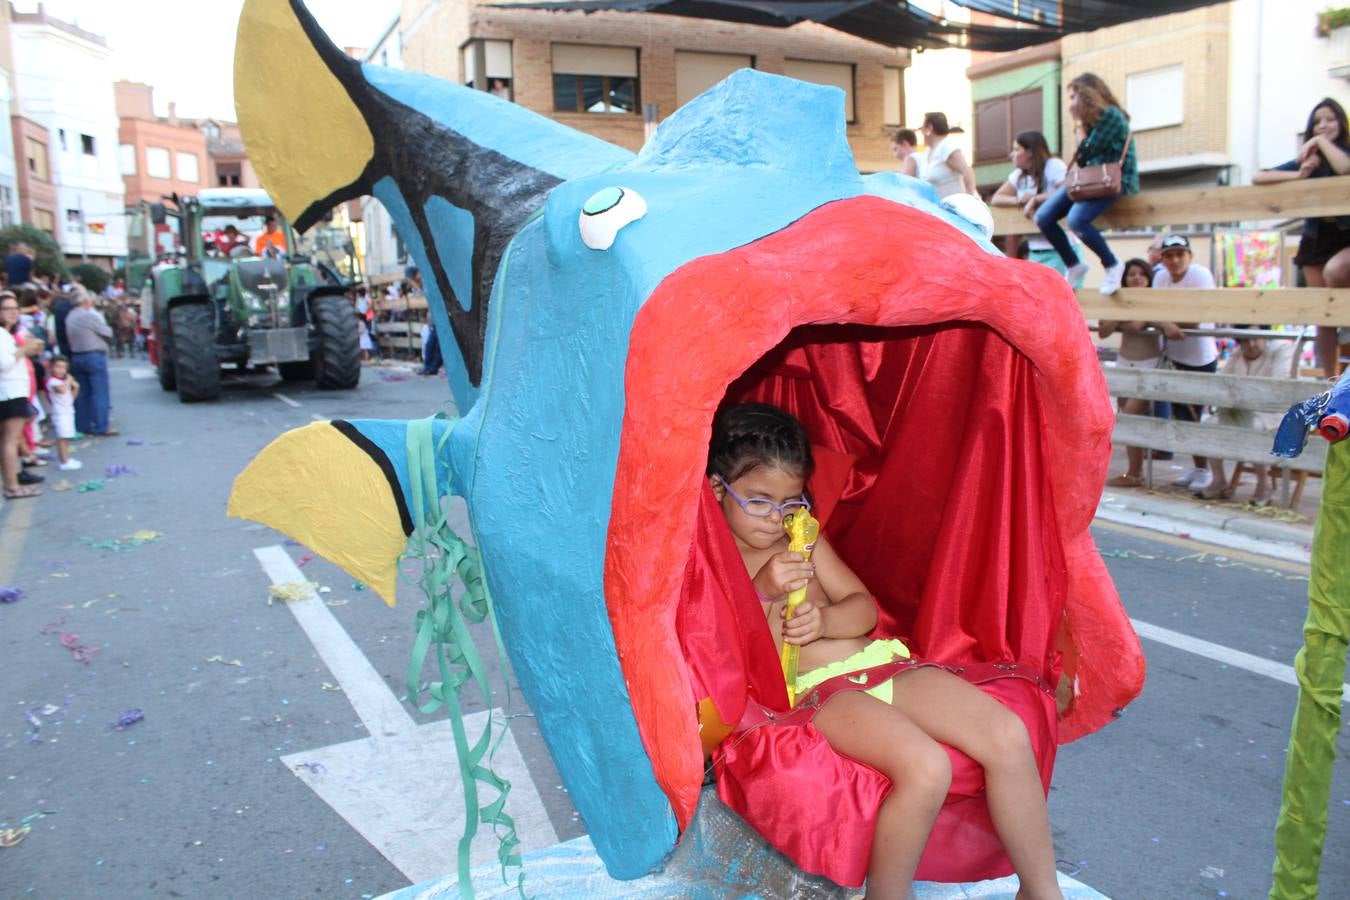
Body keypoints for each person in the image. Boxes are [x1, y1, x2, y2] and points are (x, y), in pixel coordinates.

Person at [708, 403, 1064, 900]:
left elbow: (864, 610)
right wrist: (764, 593)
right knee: (925, 768)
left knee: (1006, 734)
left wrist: (828, 619)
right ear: (717, 487)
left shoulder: (802, 540)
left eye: (791, 503)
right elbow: (731, 660)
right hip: (814, 691)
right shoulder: (711, 561)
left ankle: (1042, 892)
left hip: (876, 663)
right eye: (760, 501)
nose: (777, 518)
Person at [1253, 98, 1350, 377]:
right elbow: (1258, 176)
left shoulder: (1341, 152)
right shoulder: (1310, 161)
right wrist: (1299, 174)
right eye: (1317, 122)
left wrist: (1319, 143)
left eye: (1329, 119)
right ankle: (1332, 380)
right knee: (1323, 315)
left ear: (1341, 122)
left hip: (1345, 236)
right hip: (1316, 237)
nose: (1323, 126)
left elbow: (1344, 168)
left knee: (1336, 274)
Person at [1034, 73, 1138, 296]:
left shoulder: (1111, 116)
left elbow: (1088, 151)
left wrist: (1081, 128)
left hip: (1110, 180)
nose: (1071, 104)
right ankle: (1074, 264)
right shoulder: (1092, 124)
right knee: (1043, 217)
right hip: (1089, 181)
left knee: (1076, 220)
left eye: (1073, 97)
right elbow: (1082, 159)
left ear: (1087, 95)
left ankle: (1111, 264)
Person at [1194, 326, 1296, 505]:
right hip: (1240, 411)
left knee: (1253, 427)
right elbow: (1222, 383)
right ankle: (1219, 480)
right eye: (1245, 339)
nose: (1251, 344)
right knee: (1208, 426)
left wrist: (1239, 394)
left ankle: (1263, 485)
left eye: (1255, 338)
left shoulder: (1281, 350)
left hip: (1275, 413)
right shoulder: (1236, 354)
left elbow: (1278, 387)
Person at [1151, 234, 1218, 491]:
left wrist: (1166, 322)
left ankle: (1205, 468)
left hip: (1200, 357)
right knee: (1181, 416)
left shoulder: (1200, 275)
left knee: (1196, 416)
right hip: (1174, 355)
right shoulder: (1160, 277)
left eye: (1180, 254)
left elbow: (1197, 318)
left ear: (1189, 256)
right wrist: (1165, 323)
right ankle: (1198, 466)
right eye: (1169, 255)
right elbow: (1154, 313)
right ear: (1163, 258)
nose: (1175, 260)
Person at [1099, 259, 1165, 486]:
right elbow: (1104, 330)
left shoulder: (1154, 300)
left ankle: (1135, 473)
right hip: (1125, 362)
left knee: (1128, 418)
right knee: (1126, 418)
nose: (1136, 278)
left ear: (1149, 278)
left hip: (1148, 365)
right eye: (1131, 274)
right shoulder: (1118, 299)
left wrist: (1122, 318)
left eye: (1141, 274)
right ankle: (1134, 472)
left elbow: (1136, 325)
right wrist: (1120, 315)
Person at [990, 130, 1082, 285]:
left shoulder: (1053, 166)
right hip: (1035, 251)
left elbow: (1068, 190)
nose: (1012, 154)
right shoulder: (1020, 176)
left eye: (1017, 149)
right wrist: (1020, 200)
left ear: (1030, 152)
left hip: (1061, 251)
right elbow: (996, 198)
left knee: (1059, 302)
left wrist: (1035, 199)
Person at [0, 293, 43, 497]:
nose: (13, 312)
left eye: (15, 308)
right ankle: (12, 486)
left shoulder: (7, 334)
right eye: (7, 309)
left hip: (12, 392)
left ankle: (13, 483)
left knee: (9, 439)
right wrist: (24, 349)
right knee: (10, 439)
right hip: (10, 392)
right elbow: (5, 364)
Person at [66, 291, 117, 437]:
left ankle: (83, 424)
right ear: (85, 302)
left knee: (83, 393)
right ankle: (101, 426)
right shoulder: (88, 316)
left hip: (77, 355)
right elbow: (107, 332)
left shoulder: (70, 317)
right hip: (93, 355)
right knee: (100, 392)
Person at [919, 112, 976, 198]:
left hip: (955, 206)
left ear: (929, 128)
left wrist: (969, 199)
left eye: (922, 128)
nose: (921, 133)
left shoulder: (946, 146)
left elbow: (967, 171)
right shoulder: (927, 152)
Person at [44, 355, 81, 471]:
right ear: (51, 367)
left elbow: (70, 398)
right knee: (62, 438)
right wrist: (69, 381)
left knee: (67, 437)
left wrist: (75, 388)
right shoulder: (52, 381)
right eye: (57, 367)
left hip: (68, 411)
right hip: (60, 414)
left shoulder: (61, 382)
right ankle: (64, 462)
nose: (60, 370)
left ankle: (66, 459)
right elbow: (62, 390)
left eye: (63, 368)